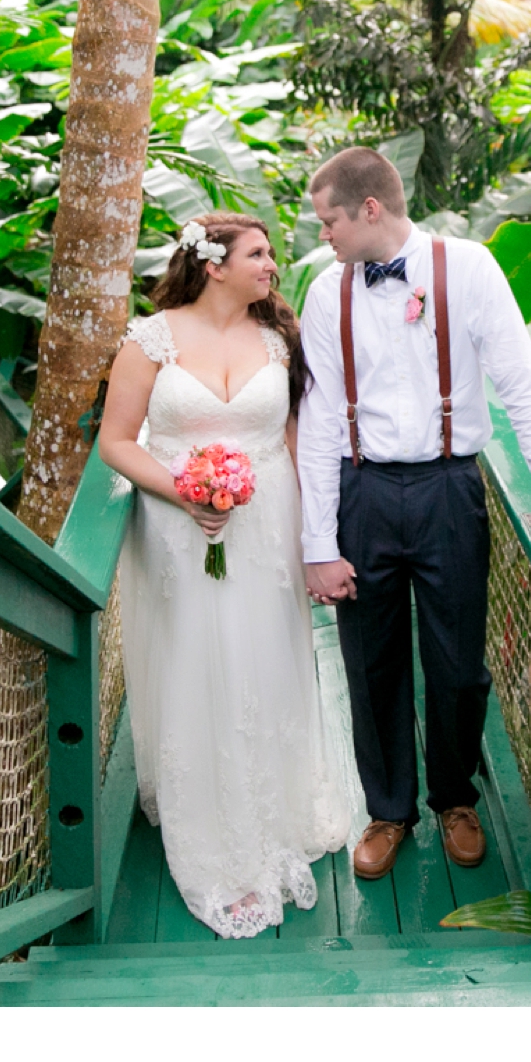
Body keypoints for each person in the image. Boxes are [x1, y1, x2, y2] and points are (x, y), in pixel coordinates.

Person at [297, 148, 531, 881]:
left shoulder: (466, 269)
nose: (323, 235)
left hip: (448, 488)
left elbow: (521, 384)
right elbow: (316, 424)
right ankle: (388, 810)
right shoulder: (322, 290)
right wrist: (316, 540)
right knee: (369, 663)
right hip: (362, 491)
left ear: (369, 209)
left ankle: (454, 798)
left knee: (458, 665)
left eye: (329, 220)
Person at [98, 212, 364, 939]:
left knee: (265, 659)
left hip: (267, 522)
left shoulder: (278, 340)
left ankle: (274, 802)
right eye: (258, 253)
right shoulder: (148, 341)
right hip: (176, 528)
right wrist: (182, 491)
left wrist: (319, 538)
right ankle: (212, 824)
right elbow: (116, 443)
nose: (272, 264)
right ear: (213, 265)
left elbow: (293, 439)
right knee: (196, 662)